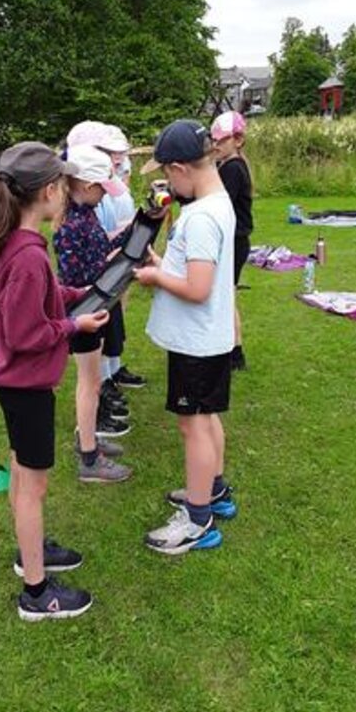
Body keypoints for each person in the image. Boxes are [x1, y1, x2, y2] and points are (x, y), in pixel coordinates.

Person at [0, 142, 111, 621]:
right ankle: (36, 592)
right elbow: (25, 333)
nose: (68, 193)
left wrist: (75, 293)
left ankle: (28, 548)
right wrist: (74, 325)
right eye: (63, 185)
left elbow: (37, 294)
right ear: (50, 191)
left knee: (20, 466)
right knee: (34, 486)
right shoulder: (29, 255)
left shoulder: (13, 241)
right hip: (24, 384)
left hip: (12, 382)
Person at [134, 120, 239, 555]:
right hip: (208, 339)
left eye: (166, 173)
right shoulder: (218, 203)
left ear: (179, 169)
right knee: (206, 418)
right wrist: (164, 264)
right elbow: (197, 271)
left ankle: (198, 520)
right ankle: (213, 490)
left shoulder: (200, 218)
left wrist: (156, 277)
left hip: (195, 343)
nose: (167, 183)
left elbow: (197, 289)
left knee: (192, 426)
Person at [53, 136, 135, 483]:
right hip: (84, 314)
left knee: (93, 383)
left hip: (95, 308)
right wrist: (110, 269)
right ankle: (89, 458)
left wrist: (135, 229)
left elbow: (100, 249)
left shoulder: (85, 215)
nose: (105, 195)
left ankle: (88, 438)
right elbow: (76, 279)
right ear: (86, 185)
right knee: (89, 384)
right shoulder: (71, 226)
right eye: (102, 188)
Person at [93, 125, 148, 393]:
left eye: (120, 152)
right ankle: (103, 377)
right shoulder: (95, 186)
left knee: (117, 314)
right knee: (104, 315)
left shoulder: (119, 170)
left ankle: (114, 368)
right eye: (111, 151)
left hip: (122, 247)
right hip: (108, 252)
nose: (118, 156)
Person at [211, 111, 253, 369]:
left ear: (237, 140)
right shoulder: (226, 166)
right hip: (233, 240)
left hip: (234, 242)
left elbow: (218, 202)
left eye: (222, 140)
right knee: (226, 295)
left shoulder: (233, 168)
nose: (216, 145)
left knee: (226, 297)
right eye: (214, 140)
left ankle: (234, 352)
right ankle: (231, 350)